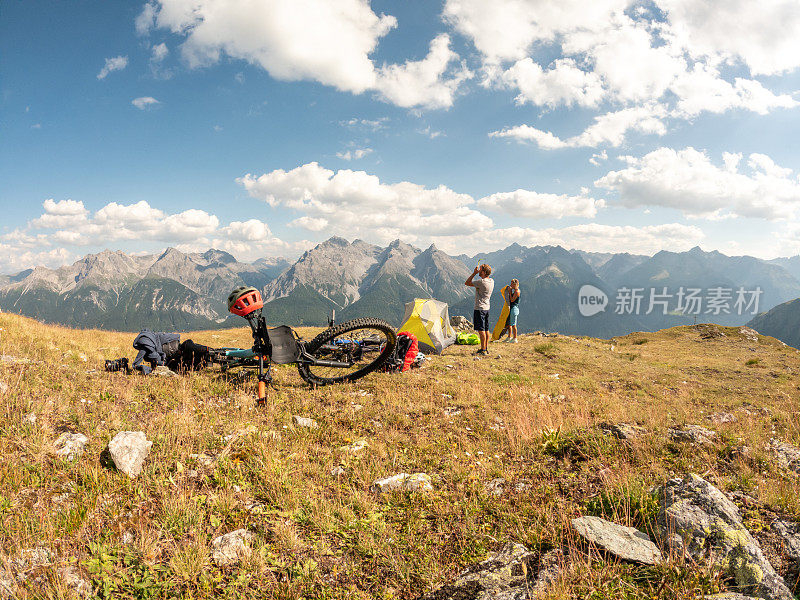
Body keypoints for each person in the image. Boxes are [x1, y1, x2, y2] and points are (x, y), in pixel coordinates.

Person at [465, 263, 494, 355]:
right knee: (486, 329)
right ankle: (485, 348)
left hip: (479, 308)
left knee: (481, 330)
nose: (479, 271)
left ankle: (483, 350)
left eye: (480, 270)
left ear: (484, 272)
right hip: (486, 307)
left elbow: (467, 282)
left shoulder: (481, 282)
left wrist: (474, 273)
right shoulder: (491, 281)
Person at [505, 279, 521, 343]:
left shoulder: (517, 291)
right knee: (509, 324)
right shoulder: (515, 290)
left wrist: (509, 292)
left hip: (514, 309)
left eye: (511, 284)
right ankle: (509, 337)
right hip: (512, 308)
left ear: (515, 284)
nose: (510, 285)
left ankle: (515, 338)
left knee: (513, 325)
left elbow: (512, 300)